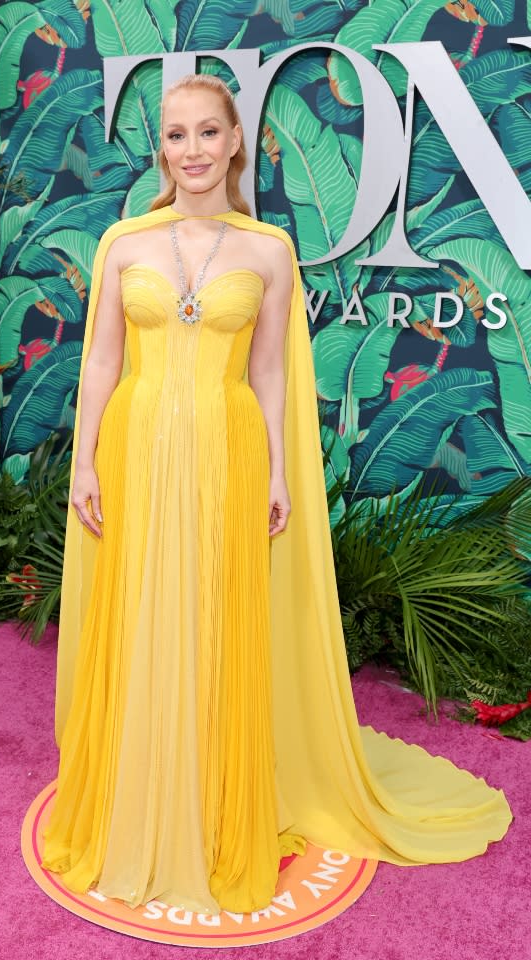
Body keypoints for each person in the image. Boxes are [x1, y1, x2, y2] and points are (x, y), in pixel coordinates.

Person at [40, 73, 513, 917]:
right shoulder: (123, 242)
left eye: (207, 133)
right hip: (136, 451)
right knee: (142, 614)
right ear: (164, 151)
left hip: (226, 454)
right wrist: (85, 464)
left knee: (212, 620)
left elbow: (269, 376)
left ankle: (212, 803)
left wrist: (277, 472)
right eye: (175, 136)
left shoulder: (268, 250)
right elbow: (104, 362)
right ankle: (137, 797)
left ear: (235, 144)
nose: (191, 151)